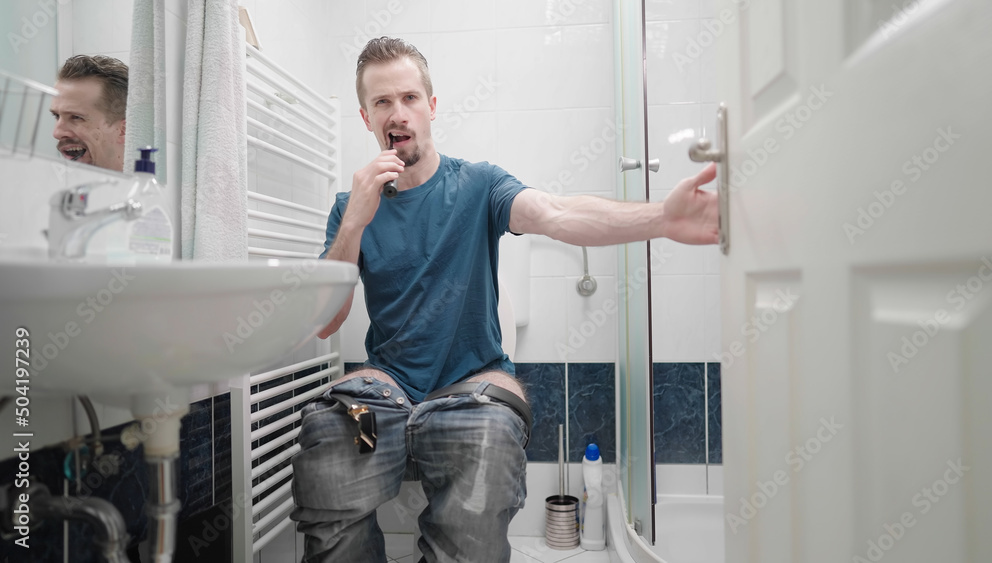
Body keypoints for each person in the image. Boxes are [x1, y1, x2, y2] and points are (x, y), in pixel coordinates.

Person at [290, 36, 718, 563]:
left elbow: (555, 214)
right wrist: (355, 218)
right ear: (365, 116)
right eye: (382, 102)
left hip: (472, 384)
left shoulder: (478, 184)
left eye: (409, 98)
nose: (397, 113)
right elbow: (326, 322)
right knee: (333, 436)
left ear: (431, 106)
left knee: (488, 442)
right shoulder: (349, 205)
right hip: (385, 394)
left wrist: (662, 219)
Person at [50, 55, 128, 171]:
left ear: (123, 130)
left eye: (76, 117)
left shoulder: (148, 187)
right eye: (57, 116)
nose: (57, 133)